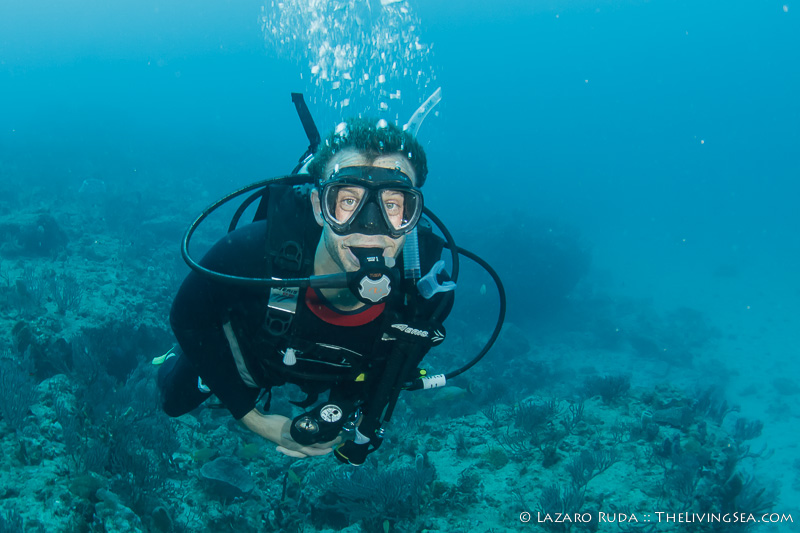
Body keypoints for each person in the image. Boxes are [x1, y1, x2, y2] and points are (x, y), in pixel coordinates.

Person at [156, 113, 458, 465]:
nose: (370, 227)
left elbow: (388, 372)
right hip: (256, 356)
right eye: (348, 201)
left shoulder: (423, 293)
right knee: (174, 401)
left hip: (342, 371)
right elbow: (187, 318)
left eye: (392, 205)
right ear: (318, 207)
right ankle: (175, 360)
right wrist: (252, 418)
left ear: (413, 216)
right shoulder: (250, 251)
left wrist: (343, 412)